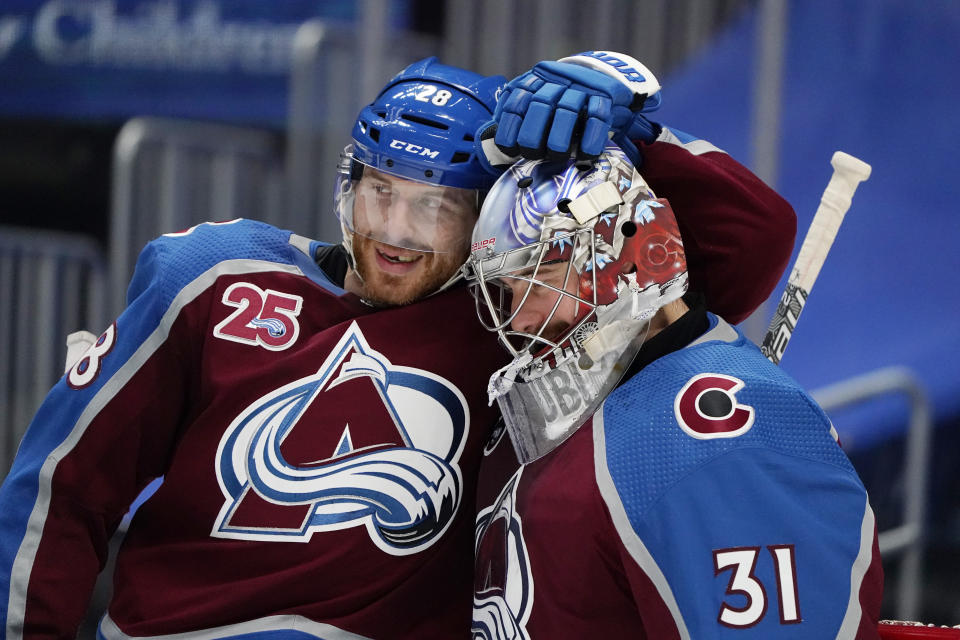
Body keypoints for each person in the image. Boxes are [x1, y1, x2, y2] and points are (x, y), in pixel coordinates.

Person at [0, 51, 795, 639]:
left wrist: (630, 133)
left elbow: (745, 249)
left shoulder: (513, 320)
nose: (394, 232)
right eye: (381, 189)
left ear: (487, 220)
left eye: (434, 207)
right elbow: (61, 489)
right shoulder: (212, 274)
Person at [465, 142, 883, 639]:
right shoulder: (555, 410)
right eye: (505, 291)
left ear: (626, 254)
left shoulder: (722, 443)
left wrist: (648, 138)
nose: (521, 320)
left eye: (541, 278)